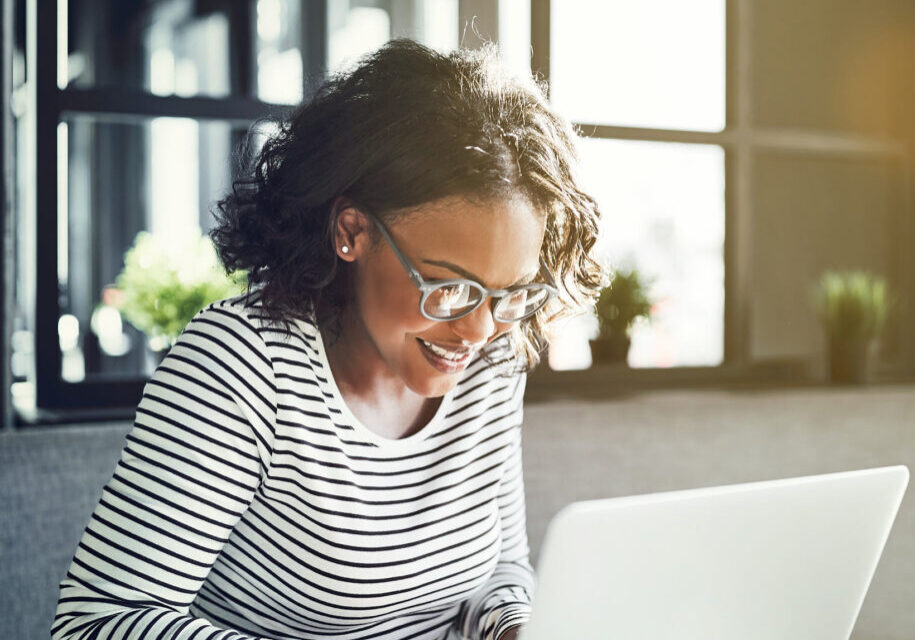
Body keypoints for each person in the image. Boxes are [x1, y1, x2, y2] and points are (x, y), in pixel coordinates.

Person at [52, 39, 604, 640]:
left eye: (509, 294)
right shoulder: (241, 365)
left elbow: (501, 567)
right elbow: (96, 624)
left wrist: (512, 627)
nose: (477, 328)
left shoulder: (493, 357)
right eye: (448, 288)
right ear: (352, 231)